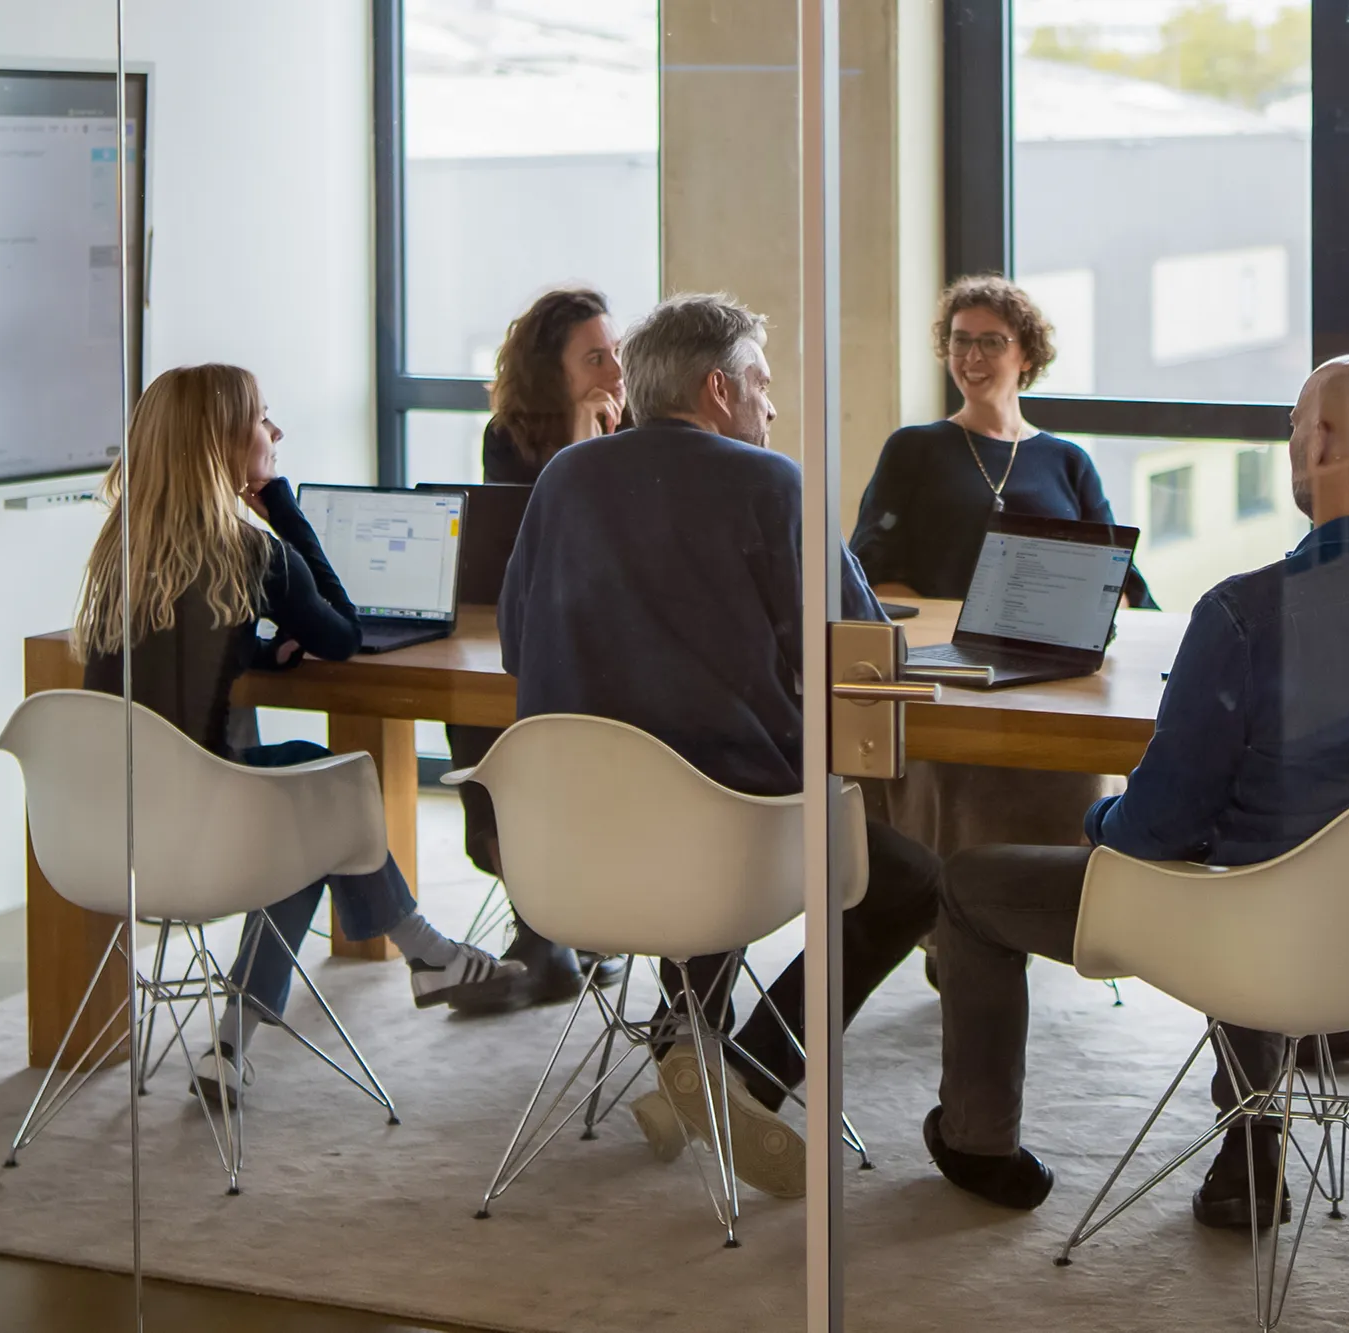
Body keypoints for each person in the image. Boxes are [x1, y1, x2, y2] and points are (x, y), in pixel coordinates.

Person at [923, 354, 1349, 1223]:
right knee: (1269, 843)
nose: (1290, 439)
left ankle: (981, 1143)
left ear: (1321, 443)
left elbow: (1155, 830)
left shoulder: (1244, 612)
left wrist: (1095, 817)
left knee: (975, 882)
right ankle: (1249, 1140)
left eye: (1295, 422)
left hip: (1255, 938)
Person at [494, 293, 942, 1200]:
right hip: (721, 842)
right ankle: (744, 1069)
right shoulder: (774, 486)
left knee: (694, 773)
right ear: (716, 388)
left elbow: (514, 641)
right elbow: (855, 650)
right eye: (762, 385)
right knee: (907, 877)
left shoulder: (563, 480)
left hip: (572, 846)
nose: (771, 407)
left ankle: (690, 1044)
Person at [72, 364, 526, 1105]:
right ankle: (417, 952)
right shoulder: (252, 551)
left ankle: (247, 1036)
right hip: (201, 836)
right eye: (263, 421)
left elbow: (165, 648)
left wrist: (251, 649)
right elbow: (342, 633)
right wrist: (281, 505)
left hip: (104, 833)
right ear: (225, 444)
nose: (275, 434)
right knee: (321, 793)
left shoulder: (120, 555)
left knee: (307, 789)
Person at [848, 275, 1153, 885]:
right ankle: (951, 915)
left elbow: (1120, 579)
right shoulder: (914, 449)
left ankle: (1053, 902)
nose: (972, 358)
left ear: (1027, 355)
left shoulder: (1067, 460)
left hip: (1048, 668)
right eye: (960, 342)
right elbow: (868, 570)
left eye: (991, 342)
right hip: (954, 668)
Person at [445, 288, 630, 1010]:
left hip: (614, 634)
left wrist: (597, 442)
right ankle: (540, 913)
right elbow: (541, 544)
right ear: (552, 371)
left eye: (616, 352)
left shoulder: (640, 425)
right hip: (532, 619)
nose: (613, 370)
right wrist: (578, 445)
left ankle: (569, 920)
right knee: (478, 720)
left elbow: (614, 550)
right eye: (594, 358)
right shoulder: (509, 435)